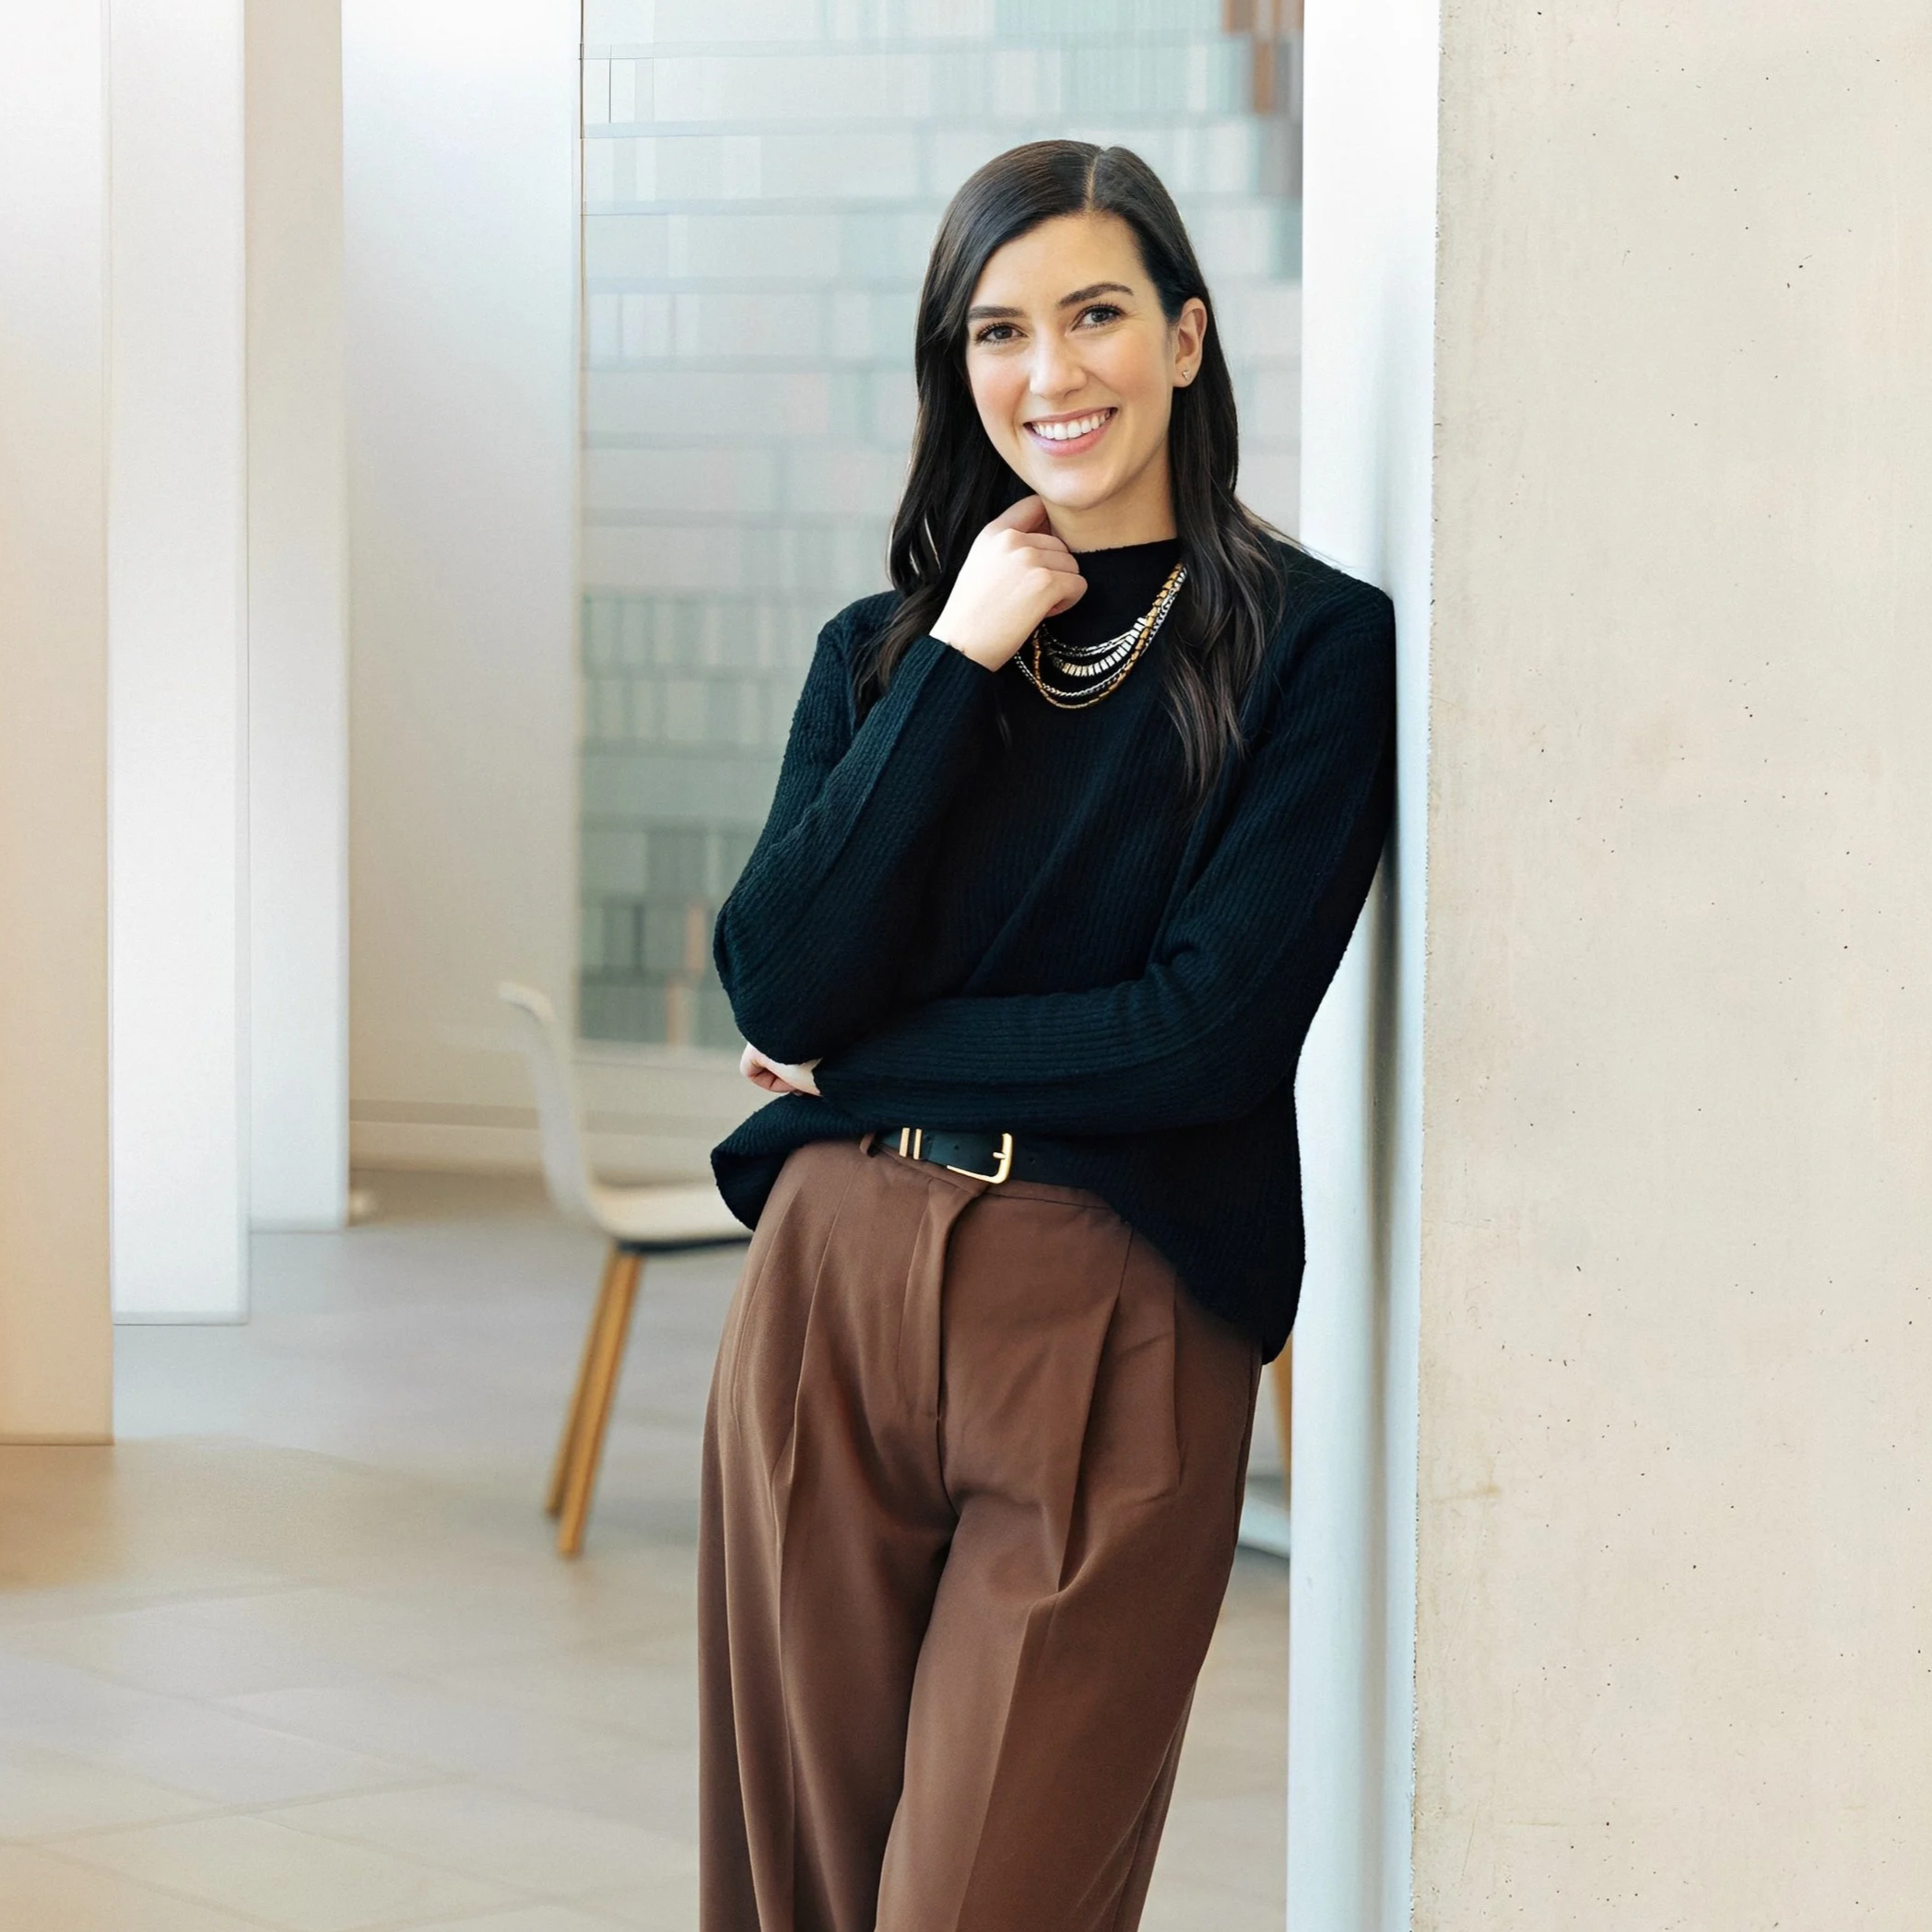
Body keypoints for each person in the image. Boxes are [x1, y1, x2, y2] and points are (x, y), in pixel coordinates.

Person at [698, 139, 1395, 1932]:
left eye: (1094, 314)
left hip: (1116, 1307)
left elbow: (1200, 1037)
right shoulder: (887, 651)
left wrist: (869, 1067)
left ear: (1184, 336)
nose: (1049, 371)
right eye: (997, 330)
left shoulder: (1310, 648)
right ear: (957, 370)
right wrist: (955, 657)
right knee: (802, 1895)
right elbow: (777, 980)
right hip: (828, 1299)